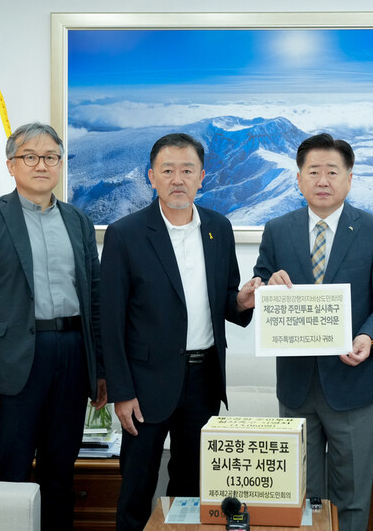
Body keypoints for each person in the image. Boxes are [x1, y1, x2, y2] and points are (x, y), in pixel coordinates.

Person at [102, 133, 261, 531]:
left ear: (202, 177)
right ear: (151, 177)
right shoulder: (126, 234)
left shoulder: (219, 228)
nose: (178, 179)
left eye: (187, 170)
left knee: (191, 490)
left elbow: (224, 299)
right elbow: (110, 320)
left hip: (203, 378)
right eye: (168, 170)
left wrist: (241, 301)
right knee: (137, 489)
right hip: (145, 383)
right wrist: (121, 393)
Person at [0, 122, 107, 529]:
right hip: (13, 363)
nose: (41, 165)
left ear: (60, 165)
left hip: (73, 355)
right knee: (11, 468)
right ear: (11, 164)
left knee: (61, 470)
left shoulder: (78, 220)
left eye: (51, 157)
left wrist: (100, 371)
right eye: (30, 156)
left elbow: (94, 299)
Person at [253, 132, 373, 531]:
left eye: (332, 172)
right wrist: (265, 285)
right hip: (296, 387)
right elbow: (260, 281)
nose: (323, 180)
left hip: (351, 385)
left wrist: (368, 338)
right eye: (313, 171)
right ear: (298, 179)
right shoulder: (277, 229)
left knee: (352, 497)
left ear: (349, 179)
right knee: (301, 496)